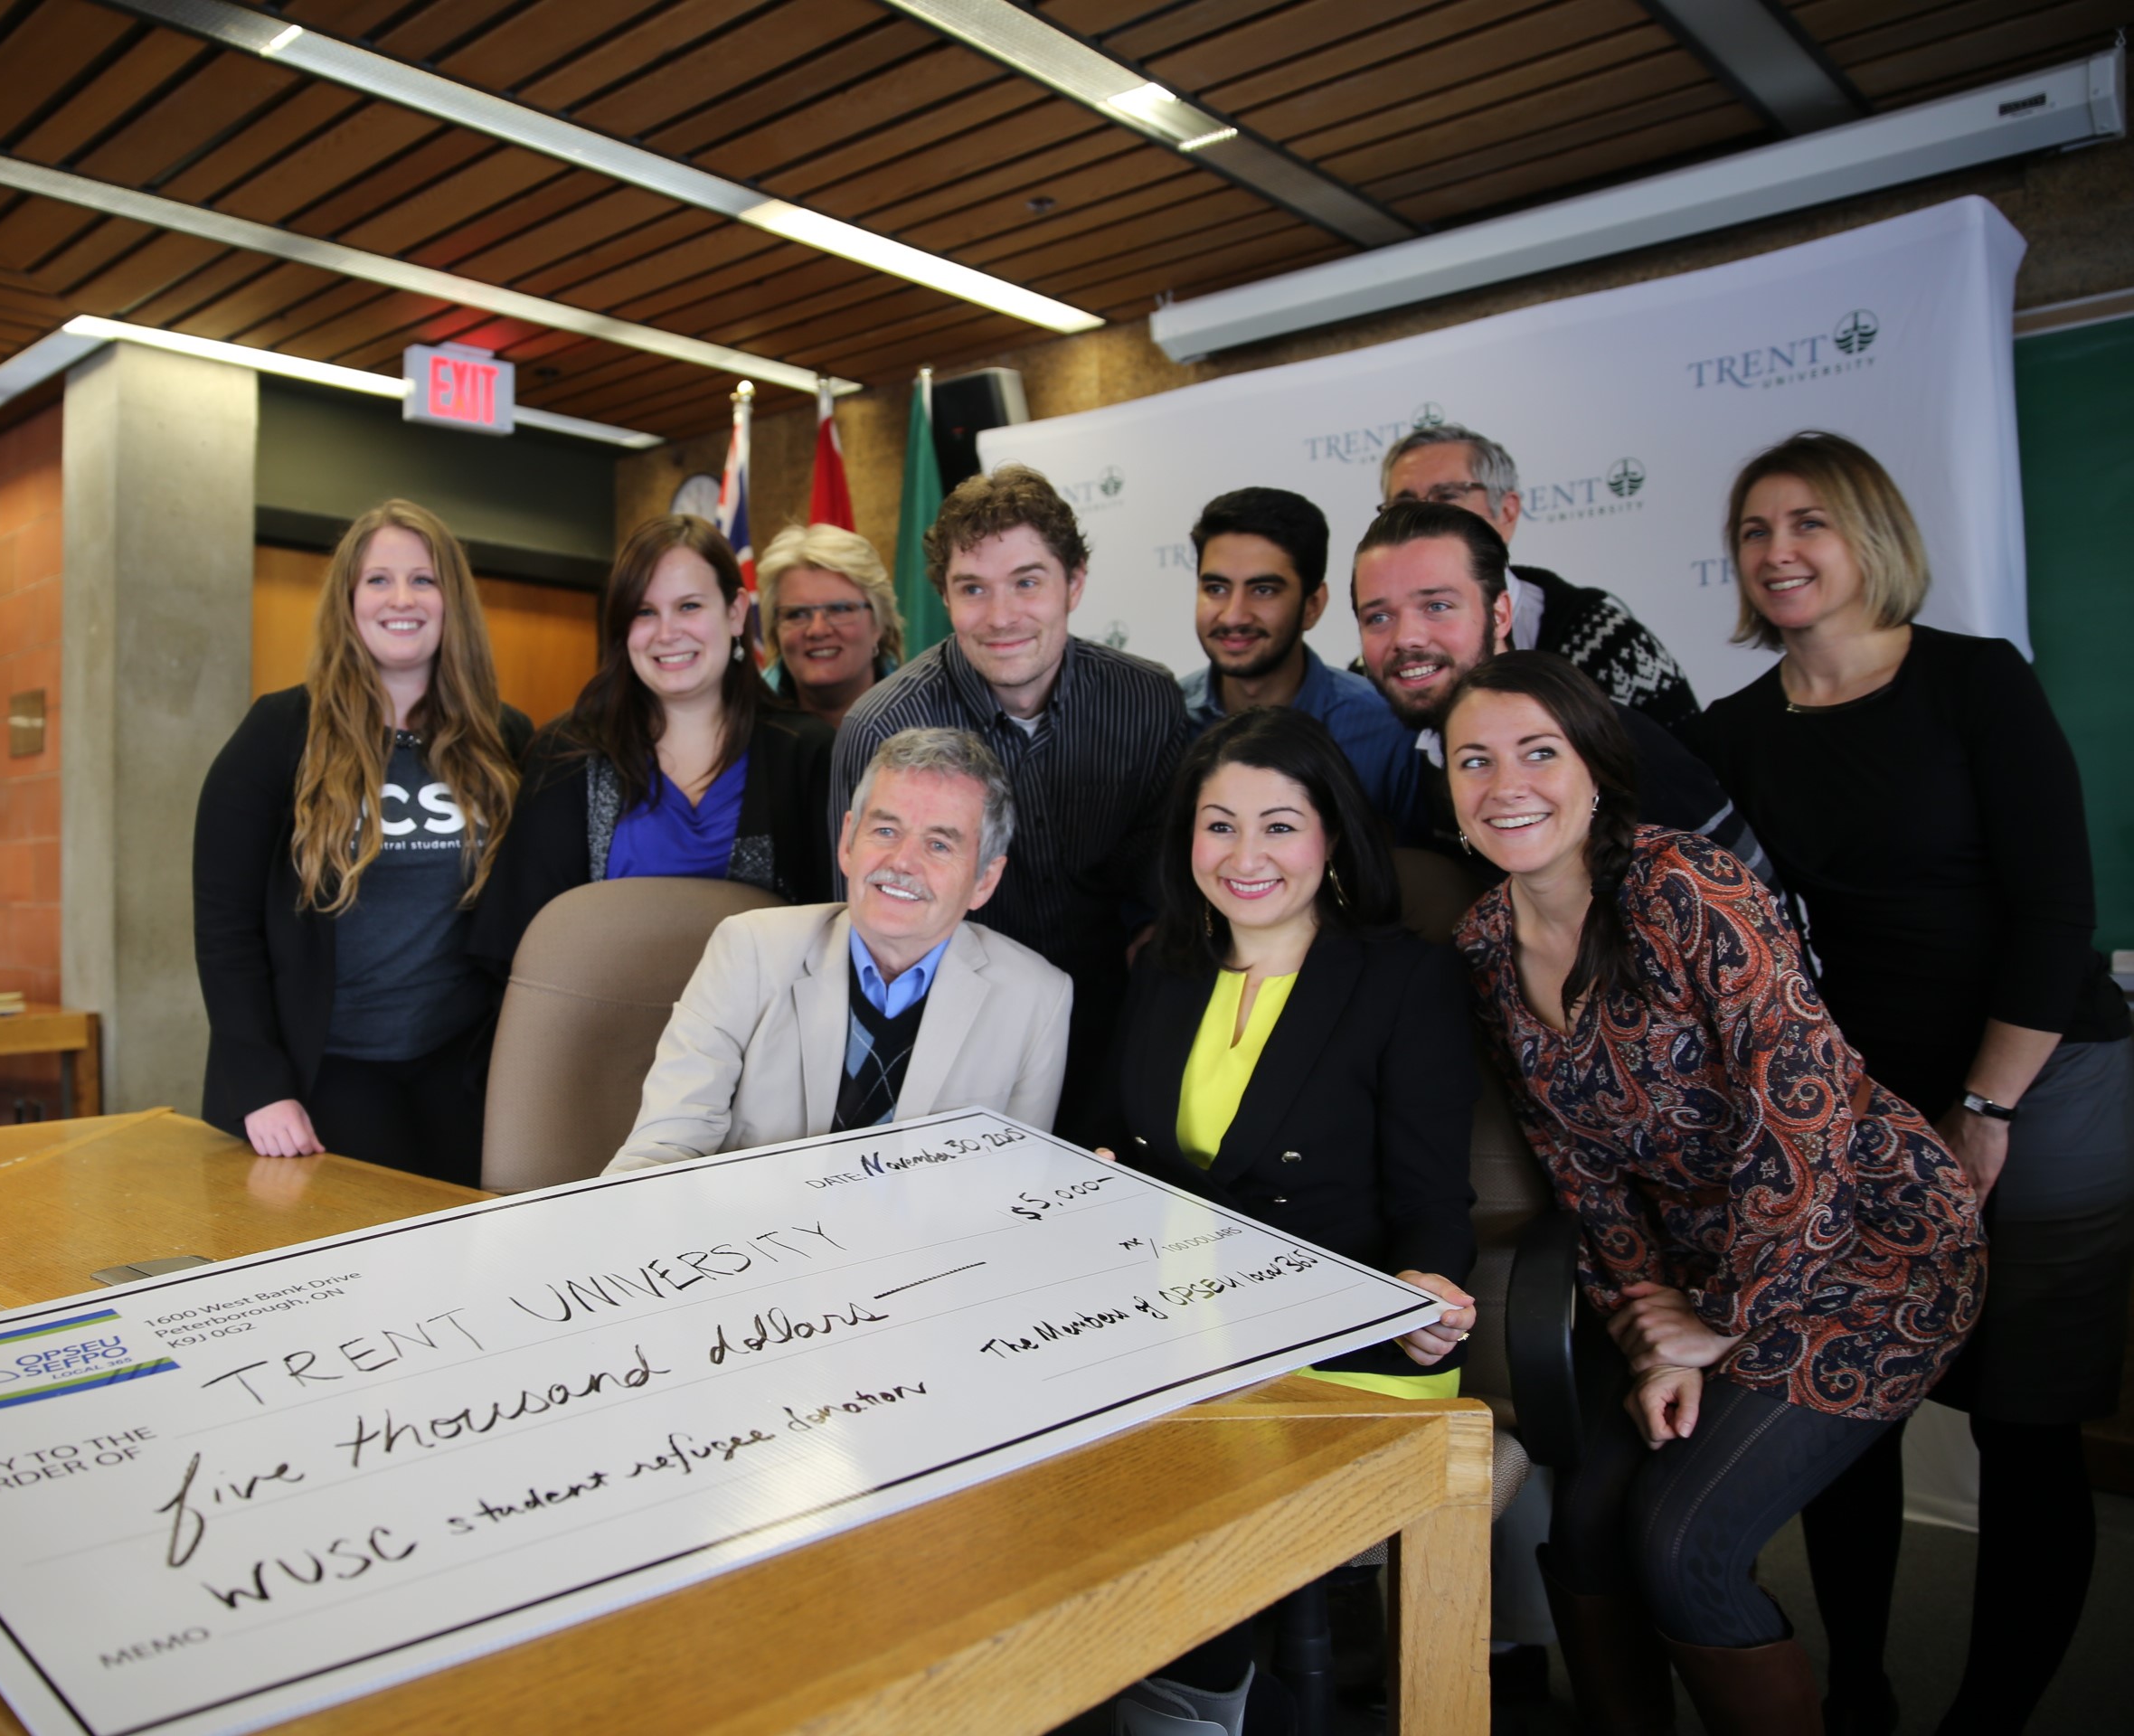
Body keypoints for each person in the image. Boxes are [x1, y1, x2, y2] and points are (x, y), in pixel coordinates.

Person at [1446, 652, 1982, 1736]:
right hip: (1693, 1279)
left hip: (1864, 1247)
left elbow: (1806, 1116)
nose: (1507, 785)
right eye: (1474, 761)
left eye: (1539, 752)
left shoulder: (1687, 885)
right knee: (1587, 1527)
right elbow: (1577, 1166)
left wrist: (1720, 1324)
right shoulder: (1484, 946)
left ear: (1597, 768)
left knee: (1681, 1543)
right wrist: (1650, 1335)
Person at [1695, 431, 2133, 1736]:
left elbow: (2059, 910)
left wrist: (1985, 1113)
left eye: (1809, 523)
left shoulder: (1973, 682)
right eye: (1756, 529)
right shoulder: (1734, 733)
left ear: (1872, 536)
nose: (1778, 551)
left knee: (2024, 1427)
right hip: (1868, 1116)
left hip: (2042, 1081)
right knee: (1850, 1412)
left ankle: (1987, 1719)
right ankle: (1862, 1696)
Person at [1090, 707, 1478, 1735]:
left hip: (1335, 1348)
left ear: (1333, 836)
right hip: (1171, 1339)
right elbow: (1115, 1144)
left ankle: (1198, 1711)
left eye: (1279, 825)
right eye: (1219, 825)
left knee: (1174, 1513)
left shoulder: (1405, 979)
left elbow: (1434, 1199)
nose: (1245, 855)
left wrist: (1429, 1281)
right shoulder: (1163, 969)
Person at [833, 464, 1187, 1133]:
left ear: (1074, 583)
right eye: (973, 588)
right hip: (952, 1041)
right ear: (944, 596)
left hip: (1125, 1025)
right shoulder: (882, 727)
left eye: (1027, 582)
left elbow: (1164, 885)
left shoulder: (1148, 700)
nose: (1000, 617)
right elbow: (864, 925)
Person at [193, 499, 529, 1185]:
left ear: (453, 601)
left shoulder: (505, 738)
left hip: (463, 1074)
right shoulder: (279, 732)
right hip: (320, 1082)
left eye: (423, 580)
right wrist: (260, 1083)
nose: (401, 599)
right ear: (348, 601)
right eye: (378, 580)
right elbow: (224, 927)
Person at [606, 728, 1069, 1172]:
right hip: (754, 1226)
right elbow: (664, 1146)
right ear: (848, 841)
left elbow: (1016, 1187)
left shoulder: (1038, 999)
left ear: (985, 879)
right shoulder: (750, 949)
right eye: (885, 830)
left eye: (939, 844)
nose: (902, 861)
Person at [469, 515, 835, 973]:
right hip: (595, 1015)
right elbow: (516, 946)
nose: (667, 633)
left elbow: (840, 940)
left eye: (689, 606)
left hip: (765, 1018)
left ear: (736, 611)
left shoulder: (806, 754)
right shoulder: (568, 753)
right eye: (644, 612)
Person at [1351, 501, 1774, 885]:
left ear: (1500, 614)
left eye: (1437, 606)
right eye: (1379, 617)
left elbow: (1758, 907)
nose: (1406, 638)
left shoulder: (1614, 742)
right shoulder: (1421, 752)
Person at [1380, 422, 1699, 738]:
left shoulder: (1608, 642)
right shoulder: (1376, 668)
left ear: (1506, 512)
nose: (1422, 518)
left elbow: (1684, 764)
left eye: (1448, 496)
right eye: (1404, 506)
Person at [1176, 487, 1422, 841]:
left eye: (1263, 590)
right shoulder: (1166, 720)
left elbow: (1418, 864)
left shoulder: (1387, 726)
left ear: (1313, 605)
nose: (1233, 615)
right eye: (1216, 588)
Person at [755, 522, 902, 728]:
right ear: (774, 630)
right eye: (797, 614)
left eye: (840, 609)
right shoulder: (739, 724)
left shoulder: (929, 713)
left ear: (878, 623)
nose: (818, 630)